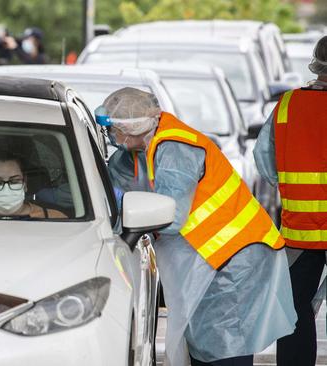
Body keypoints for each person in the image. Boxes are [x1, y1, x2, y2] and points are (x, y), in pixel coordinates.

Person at [101, 87, 296, 365]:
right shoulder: (138, 151)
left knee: (226, 349)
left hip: (234, 260)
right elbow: (115, 188)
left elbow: (170, 213)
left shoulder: (177, 149)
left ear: (131, 128)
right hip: (208, 260)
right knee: (205, 348)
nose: (112, 137)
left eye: (114, 129)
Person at [253, 35, 327, 366]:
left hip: (302, 232)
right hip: (303, 230)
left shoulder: (287, 105)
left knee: (296, 309)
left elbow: (264, 160)